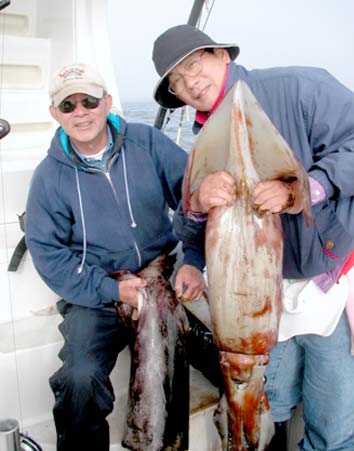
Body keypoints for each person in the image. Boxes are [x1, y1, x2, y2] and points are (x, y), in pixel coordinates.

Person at [151, 24, 354, 451]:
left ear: (222, 55)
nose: (190, 82)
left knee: (333, 415)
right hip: (268, 295)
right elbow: (194, 226)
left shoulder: (299, 88)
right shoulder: (202, 143)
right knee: (267, 401)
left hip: (332, 275)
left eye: (195, 64)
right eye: (176, 80)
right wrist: (194, 219)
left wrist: (303, 188)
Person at [25, 63, 222, 451]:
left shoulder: (148, 143)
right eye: (68, 105)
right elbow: (51, 258)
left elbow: (195, 200)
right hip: (97, 293)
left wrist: (192, 261)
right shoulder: (48, 178)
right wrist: (114, 291)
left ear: (107, 103)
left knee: (230, 358)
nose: (80, 111)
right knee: (79, 379)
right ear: (55, 113)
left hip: (165, 278)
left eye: (89, 100)